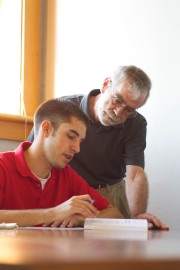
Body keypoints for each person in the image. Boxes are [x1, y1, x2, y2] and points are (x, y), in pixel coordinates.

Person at [28, 65, 169, 230]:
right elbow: (33, 155)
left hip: (108, 195)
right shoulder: (63, 108)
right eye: (117, 99)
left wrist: (136, 216)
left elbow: (135, 174)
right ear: (105, 85)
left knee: (115, 254)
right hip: (64, 192)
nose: (118, 112)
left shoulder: (136, 123)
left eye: (129, 110)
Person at [0, 98, 123, 228]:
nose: (77, 148)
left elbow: (114, 214)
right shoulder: (3, 166)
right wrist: (54, 213)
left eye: (80, 141)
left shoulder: (66, 175)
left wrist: (79, 219)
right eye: (70, 136)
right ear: (46, 129)